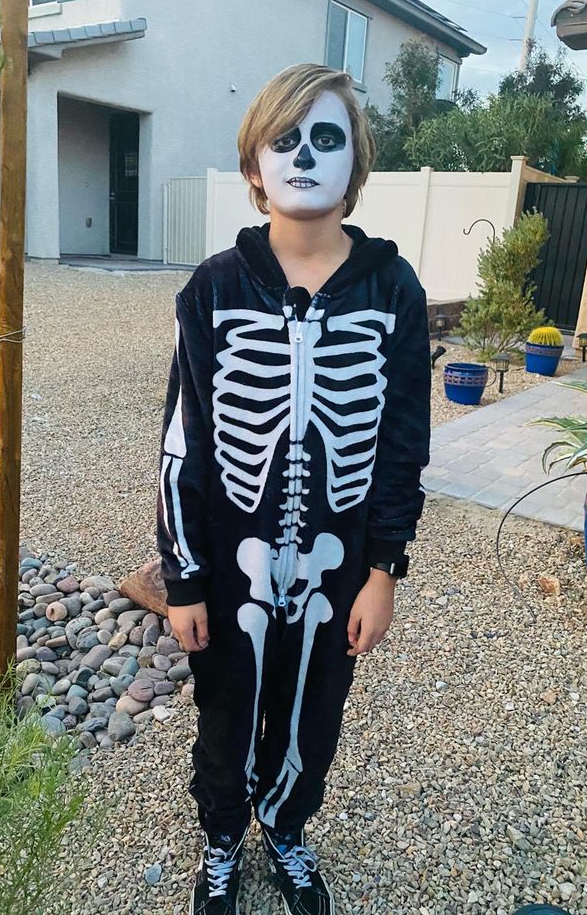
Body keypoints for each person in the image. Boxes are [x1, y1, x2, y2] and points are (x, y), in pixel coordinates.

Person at [156, 62, 431, 915]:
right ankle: (222, 839)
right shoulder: (214, 288)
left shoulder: (393, 288)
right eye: (284, 140)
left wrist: (385, 569)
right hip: (233, 560)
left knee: (315, 716)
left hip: (340, 557)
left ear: (357, 164)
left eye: (326, 138)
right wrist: (184, 579)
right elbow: (183, 445)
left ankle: (286, 826)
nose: (304, 156)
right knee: (227, 709)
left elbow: (401, 442)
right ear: (253, 170)